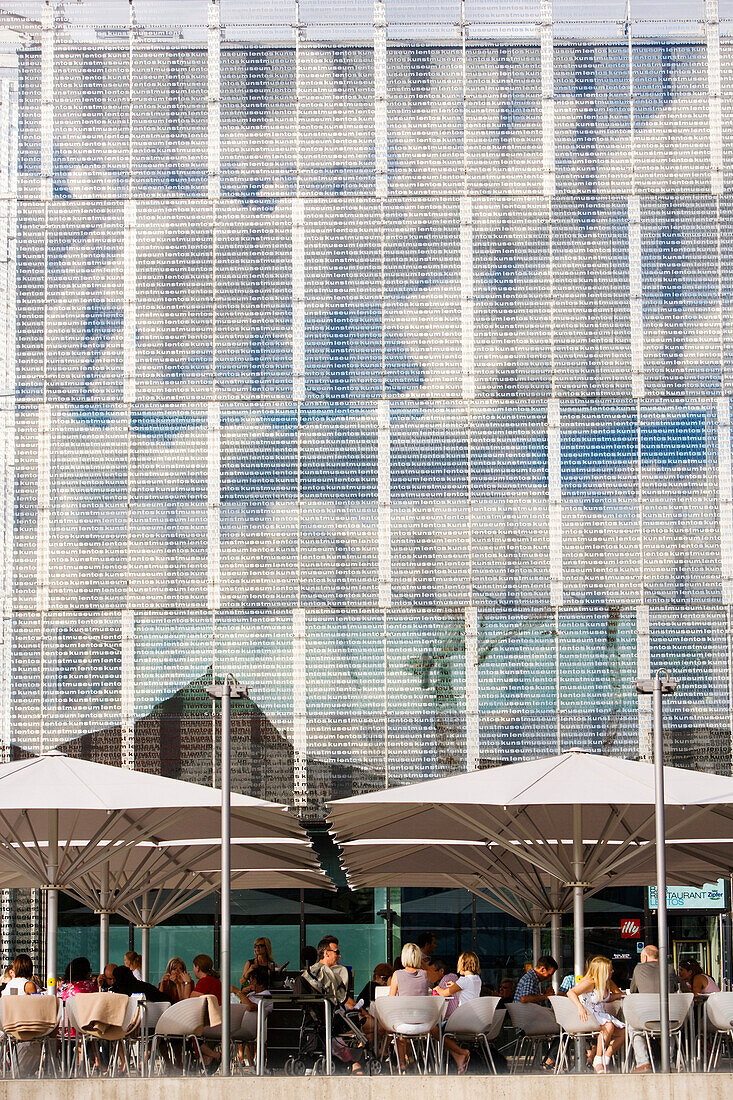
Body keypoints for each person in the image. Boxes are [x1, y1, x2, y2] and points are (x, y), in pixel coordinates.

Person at [567, 955, 625, 1074]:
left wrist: (622, 995)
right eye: (610, 970)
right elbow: (571, 992)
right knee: (608, 1026)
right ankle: (598, 1060)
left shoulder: (602, 983)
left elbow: (606, 998)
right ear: (602, 971)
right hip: (588, 1016)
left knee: (624, 1032)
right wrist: (580, 1007)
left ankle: (606, 1058)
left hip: (599, 1015)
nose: (612, 971)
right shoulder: (589, 982)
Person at [433, 950, 482, 1075]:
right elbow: (466, 990)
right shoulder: (477, 980)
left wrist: (438, 987)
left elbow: (445, 993)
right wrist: (455, 985)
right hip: (474, 1021)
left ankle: (462, 1052)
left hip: (461, 1021)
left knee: (435, 1029)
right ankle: (459, 1057)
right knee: (446, 1034)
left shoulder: (463, 980)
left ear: (463, 964)